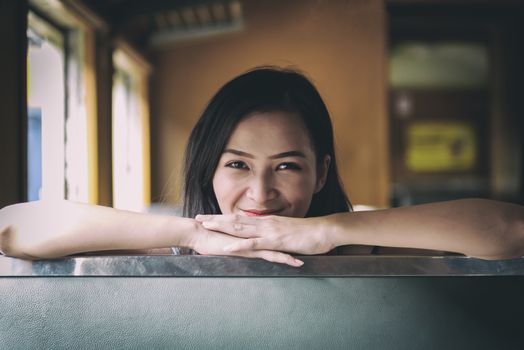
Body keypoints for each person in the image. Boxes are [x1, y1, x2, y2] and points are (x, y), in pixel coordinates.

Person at [0, 67, 523, 267]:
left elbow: (511, 230)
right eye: (238, 164)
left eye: (287, 166)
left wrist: (328, 232)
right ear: (210, 169)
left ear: (321, 172)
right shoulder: (181, 240)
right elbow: (14, 226)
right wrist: (193, 233)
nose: (261, 192)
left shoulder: (357, 239)